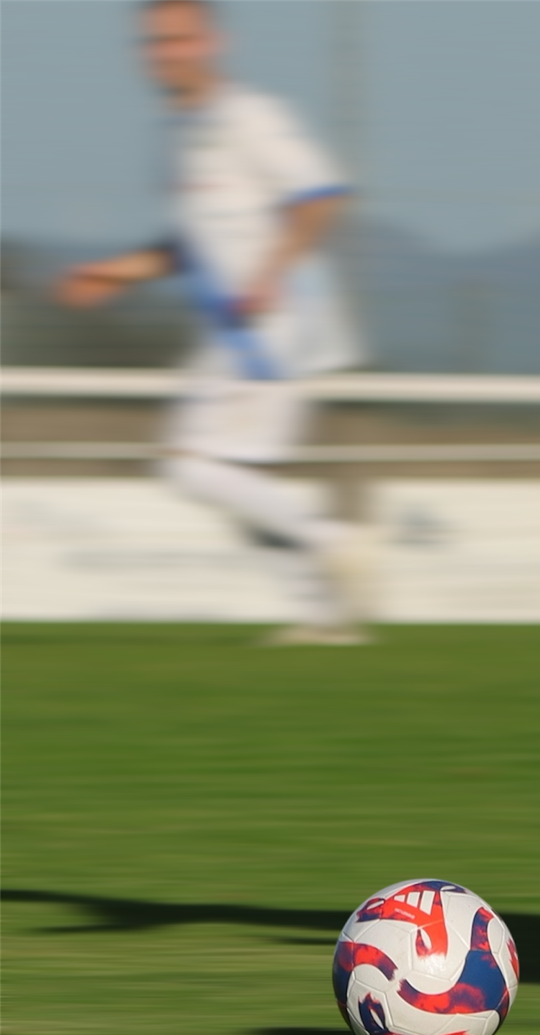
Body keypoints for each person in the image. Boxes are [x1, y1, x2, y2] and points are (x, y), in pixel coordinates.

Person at [57, 0, 371, 646]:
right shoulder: (177, 134)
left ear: (214, 42)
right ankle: (323, 617)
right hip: (227, 331)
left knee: (190, 469)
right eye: (152, 42)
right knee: (230, 481)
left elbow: (321, 197)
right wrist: (115, 272)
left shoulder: (249, 115)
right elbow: (189, 245)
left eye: (177, 39)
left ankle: (335, 538)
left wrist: (271, 272)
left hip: (269, 328)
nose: (163, 53)